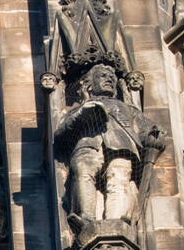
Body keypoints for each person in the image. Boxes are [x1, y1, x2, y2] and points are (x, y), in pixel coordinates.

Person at [53, 61, 164, 228]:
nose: (109, 80)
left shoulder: (126, 107)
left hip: (122, 145)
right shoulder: (79, 108)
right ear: (89, 84)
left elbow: (144, 129)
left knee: (118, 179)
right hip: (88, 145)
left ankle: (117, 221)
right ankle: (86, 218)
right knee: (83, 173)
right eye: (103, 76)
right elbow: (60, 133)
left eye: (112, 77)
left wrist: (153, 134)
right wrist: (82, 114)